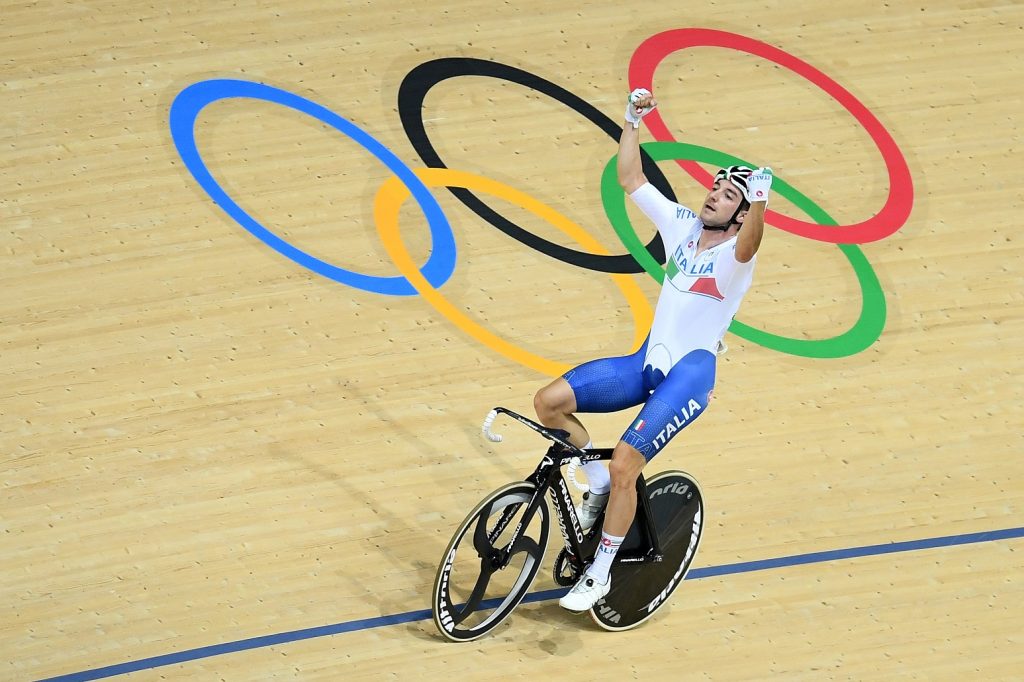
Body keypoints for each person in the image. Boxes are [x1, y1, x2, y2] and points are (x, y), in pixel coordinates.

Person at [533, 87, 773, 612]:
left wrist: (758, 202)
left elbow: (753, 241)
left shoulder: (738, 255)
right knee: (549, 403)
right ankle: (597, 482)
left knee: (627, 462)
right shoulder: (683, 225)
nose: (713, 196)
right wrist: (631, 121)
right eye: (714, 188)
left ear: (740, 215)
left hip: (689, 376)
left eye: (727, 196)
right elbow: (631, 179)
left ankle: (599, 574)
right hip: (647, 361)